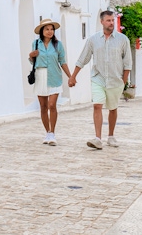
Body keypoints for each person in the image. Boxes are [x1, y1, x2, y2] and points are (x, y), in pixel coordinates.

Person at [68, 10, 132, 150]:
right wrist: (73, 76)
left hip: (116, 80)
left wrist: (124, 80)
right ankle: (97, 138)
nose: (111, 23)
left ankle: (111, 136)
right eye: (108, 20)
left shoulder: (123, 40)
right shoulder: (93, 40)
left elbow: (127, 62)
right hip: (98, 78)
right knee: (97, 105)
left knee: (112, 108)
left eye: (112, 20)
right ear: (102, 22)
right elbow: (83, 58)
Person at [29, 18, 71, 146]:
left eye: (52, 29)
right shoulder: (36, 43)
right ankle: (47, 132)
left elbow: (62, 61)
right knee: (43, 106)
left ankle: (52, 133)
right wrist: (31, 55)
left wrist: (70, 76)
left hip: (54, 76)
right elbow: (32, 61)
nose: (50, 31)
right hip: (40, 75)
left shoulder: (58, 45)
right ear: (42, 31)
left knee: (52, 105)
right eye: (47, 29)